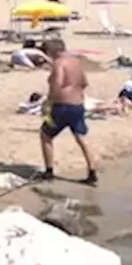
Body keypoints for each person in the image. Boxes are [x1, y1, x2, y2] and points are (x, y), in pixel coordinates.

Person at [38, 39, 98, 185]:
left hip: (62, 105)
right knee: (81, 138)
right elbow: (84, 83)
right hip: (78, 104)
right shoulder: (76, 62)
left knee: (45, 134)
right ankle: (92, 172)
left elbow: (56, 84)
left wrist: (48, 103)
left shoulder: (58, 64)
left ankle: (49, 171)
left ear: (51, 52)